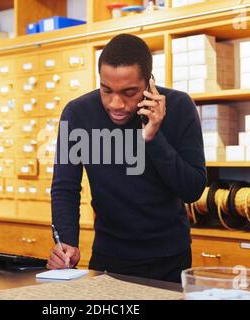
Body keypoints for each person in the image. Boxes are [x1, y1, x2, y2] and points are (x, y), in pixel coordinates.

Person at [47, 33, 207, 283]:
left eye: (129, 92)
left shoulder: (179, 107)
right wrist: (67, 241)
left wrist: (154, 136)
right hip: (109, 257)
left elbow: (192, 189)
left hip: (170, 259)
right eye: (106, 90)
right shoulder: (78, 113)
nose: (116, 103)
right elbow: (65, 187)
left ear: (149, 83)